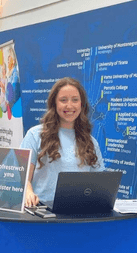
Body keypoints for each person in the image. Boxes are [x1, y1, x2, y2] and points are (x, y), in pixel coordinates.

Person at [20, 77, 105, 207]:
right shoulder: (35, 135)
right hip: (42, 212)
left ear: (81, 105)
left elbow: (100, 184)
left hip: (79, 212)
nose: (69, 105)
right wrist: (28, 192)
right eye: (63, 100)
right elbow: (22, 176)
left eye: (75, 100)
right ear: (54, 103)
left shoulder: (91, 142)